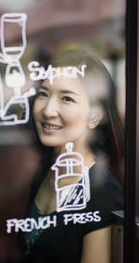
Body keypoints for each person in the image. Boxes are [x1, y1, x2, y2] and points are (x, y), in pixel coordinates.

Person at [20, 49, 124, 263]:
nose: (48, 110)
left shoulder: (101, 192)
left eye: (66, 98)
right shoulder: (45, 171)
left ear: (95, 114)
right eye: (43, 94)